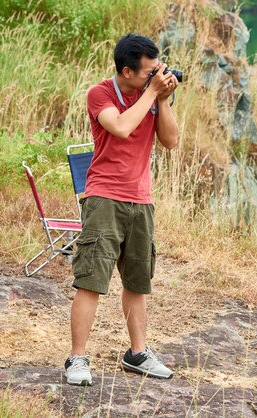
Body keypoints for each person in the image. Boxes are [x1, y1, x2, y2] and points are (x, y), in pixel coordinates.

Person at [64, 33, 179, 386]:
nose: (154, 77)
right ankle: (77, 359)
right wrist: (151, 94)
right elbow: (122, 128)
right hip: (104, 197)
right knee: (91, 281)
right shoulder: (100, 94)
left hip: (141, 198)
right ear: (127, 72)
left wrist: (166, 100)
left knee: (137, 281)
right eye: (148, 73)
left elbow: (171, 142)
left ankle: (137, 353)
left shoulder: (152, 96)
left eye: (157, 71)